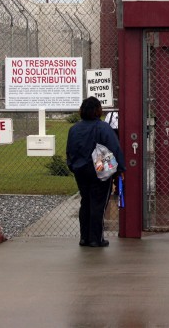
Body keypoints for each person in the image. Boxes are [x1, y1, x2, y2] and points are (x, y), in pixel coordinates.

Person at [66, 97, 126, 247]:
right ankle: (96, 238)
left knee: (85, 202)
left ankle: (84, 237)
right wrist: (120, 169)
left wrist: (73, 166)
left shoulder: (74, 129)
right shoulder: (103, 127)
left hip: (80, 169)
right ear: (98, 110)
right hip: (100, 167)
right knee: (98, 203)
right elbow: (114, 148)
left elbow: (70, 151)